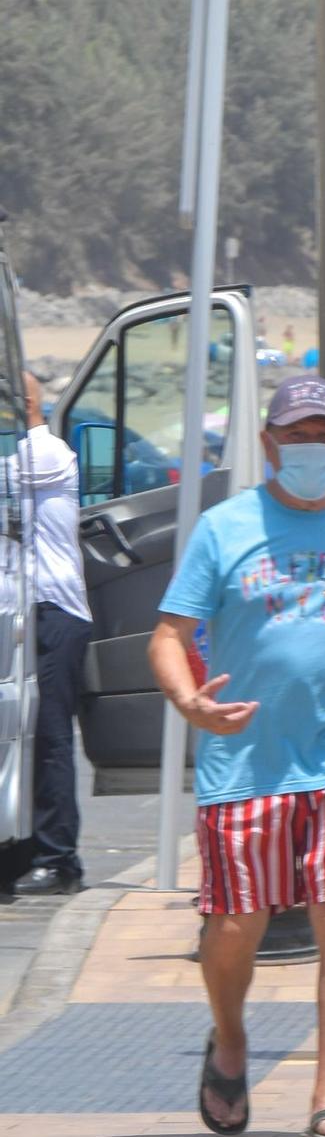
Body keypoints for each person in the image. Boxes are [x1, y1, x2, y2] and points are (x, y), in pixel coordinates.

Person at [148, 377, 325, 1137]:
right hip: (243, 763)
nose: (312, 448)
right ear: (268, 445)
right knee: (236, 925)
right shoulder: (225, 528)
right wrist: (191, 703)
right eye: (296, 436)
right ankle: (230, 1039)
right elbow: (169, 635)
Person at [0, 374, 91, 900]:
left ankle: (60, 859)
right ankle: (19, 849)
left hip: (54, 612)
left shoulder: (47, 453)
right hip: (21, 613)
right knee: (19, 732)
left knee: (50, 737)